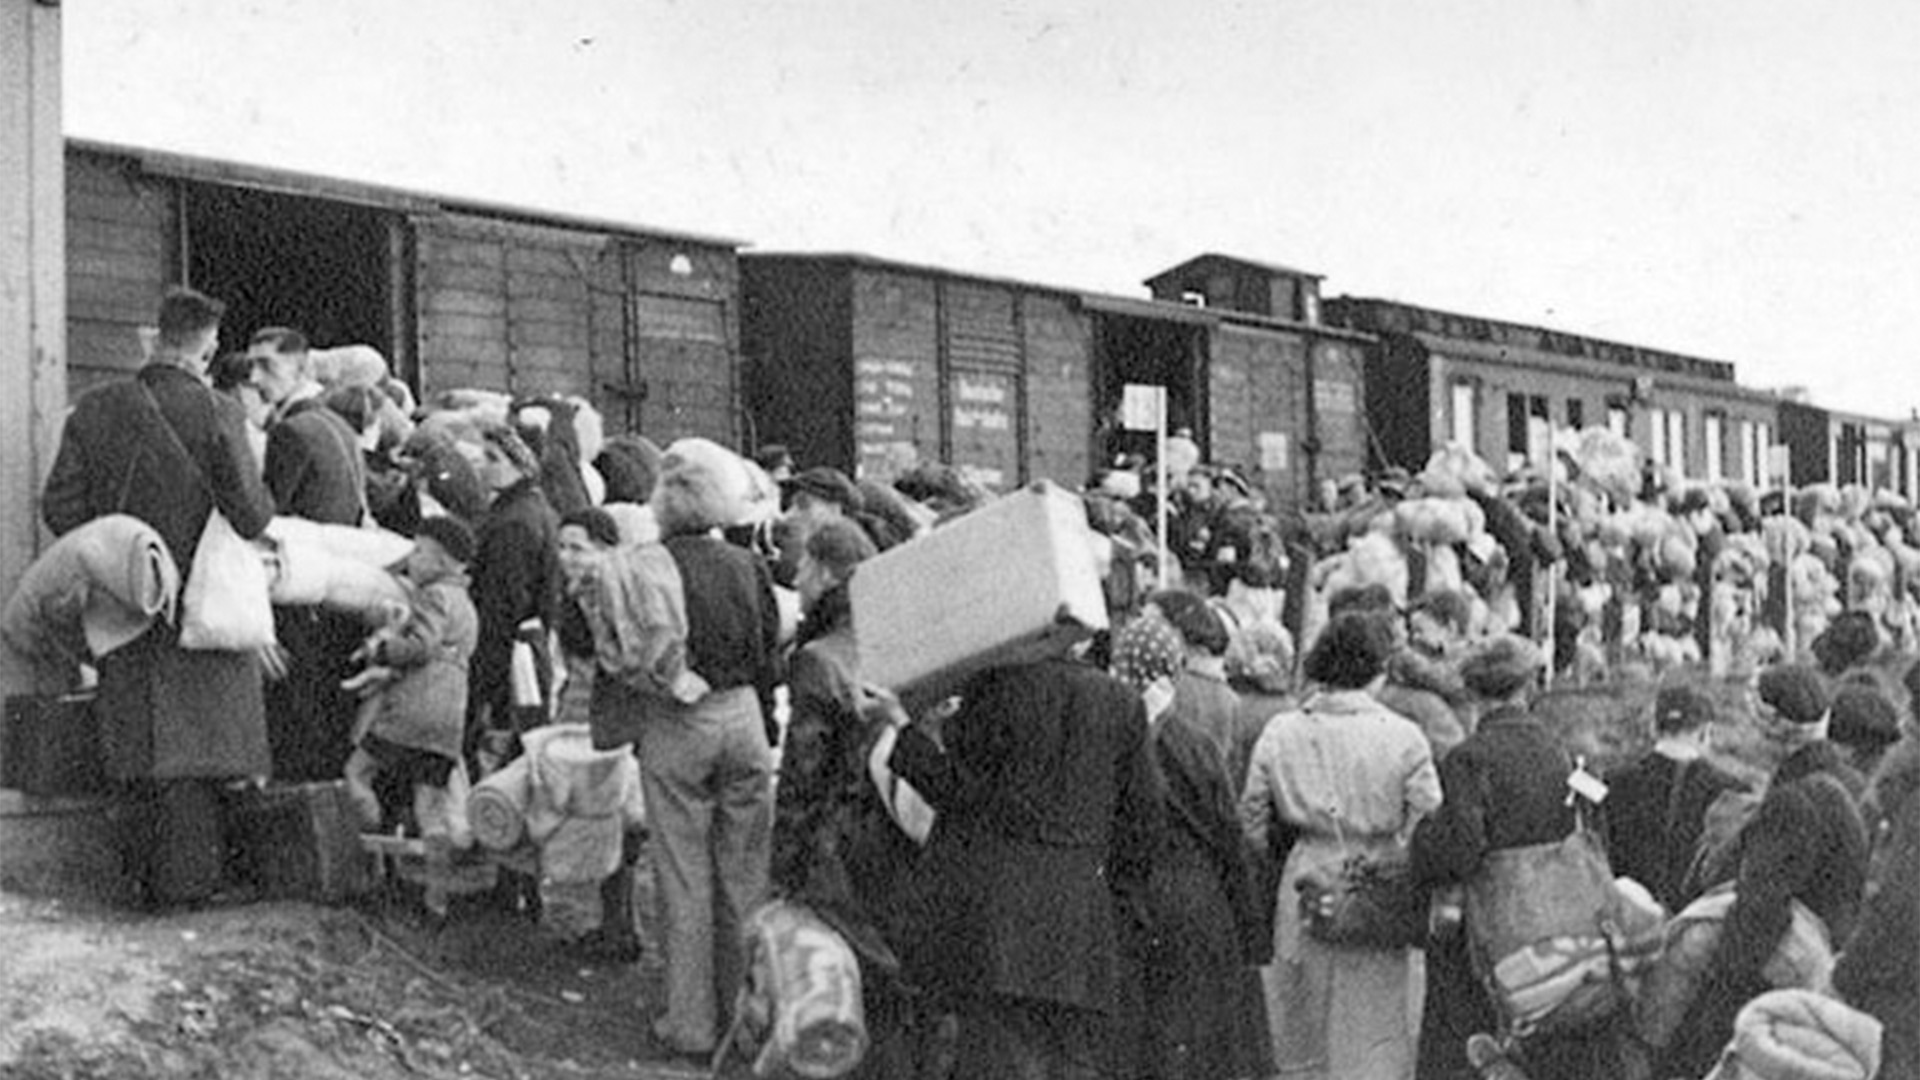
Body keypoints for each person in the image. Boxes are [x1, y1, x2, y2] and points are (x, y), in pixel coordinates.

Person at [42, 286, 276, 909]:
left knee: (135, 743)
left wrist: (121, 553)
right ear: (208, 347)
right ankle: (189, 887)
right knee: (197, 751)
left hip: (124, 598)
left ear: (156, 335)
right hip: (201, 601)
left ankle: (137, 882)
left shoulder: (93, 410)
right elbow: (251, 516)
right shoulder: (222, 412)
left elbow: (59, 507)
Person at [874, 643, 1163, 1079]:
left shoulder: (994, 688)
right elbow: (1142, 823)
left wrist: (902, 726)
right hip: (1083, 929)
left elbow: (959, 794)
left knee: (1000, 1060)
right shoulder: (1121, 702)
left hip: (998, 926)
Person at [1411, 634, 1625, 1080]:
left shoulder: (1469, 758)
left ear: (1472, 693)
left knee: (1467, 1040)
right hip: (1558, 923)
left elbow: (1459, 849)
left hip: (1488, 924)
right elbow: (1595, 826)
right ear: (1528, 688)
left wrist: (1422, 839)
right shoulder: (1560, 751)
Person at [1240, 611, 1441, 1080]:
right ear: (1378, 668)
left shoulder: (1282, 731)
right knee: (1373, 1029)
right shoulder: (1404, 737)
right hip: (1378, 879)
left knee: (1301, 1023)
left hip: (1306, 875)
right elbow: (1428, 818)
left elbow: (1251, 817)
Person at [1658, 662, 1872, 1079]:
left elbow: (1758, 917)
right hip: (1837, 978)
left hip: (1788, 983)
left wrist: (1712, 1016)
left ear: (1772, 729)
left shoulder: (1793, 803)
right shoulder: (1849, 781)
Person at [641, 439, 783, 1060]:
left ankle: (689, 1024)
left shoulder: (651, 563)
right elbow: (769, 650)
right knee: (745, 876)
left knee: (683, 877)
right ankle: (745, 1023)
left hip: (682, 720)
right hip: (745, 718)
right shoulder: (750, 566)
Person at [770, 518, 927, 1077]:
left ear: (824, 570)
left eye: (804, 565)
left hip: (838, 847)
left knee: (839, 987)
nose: (798, 576)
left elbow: (802, 778)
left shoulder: (818, 659)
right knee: (892, 990)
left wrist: (785, 868)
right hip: (898, 844)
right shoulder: (902, 643)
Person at [1111, 604, 1272, 1080]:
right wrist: (1250, 932)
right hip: (1201, 904)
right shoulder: (1195, 744)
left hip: (1135, 903)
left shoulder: (1114, 738)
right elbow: (1229, 837)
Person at [248, 326, 372, 782]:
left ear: (300, 369)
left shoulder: (291, 433)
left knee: (296, 743)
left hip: (299, 606)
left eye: (268, 366)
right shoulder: (339, 426)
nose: (256, 378)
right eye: (252, 365)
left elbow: (262, 527)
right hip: (339, 606)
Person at [339, 516, 479, 847]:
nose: (411, 560)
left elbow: (422, 646)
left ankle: (368, 850)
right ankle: (436, 886)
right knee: (429, 809)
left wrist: (382, 650)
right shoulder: (467, 605)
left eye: (418, 552)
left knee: (357, 774)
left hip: (410, 713)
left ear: (441, 561)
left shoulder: (432, 596)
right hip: (448, 720)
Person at [1601, 682, 1749, 913]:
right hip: (1695, 927)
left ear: (1654, 728)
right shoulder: (1732, 791)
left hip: (1629, 921)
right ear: (1705, 732)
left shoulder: (1612, 782)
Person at [464, 421, 560, 770]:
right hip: (526, 649)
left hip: (504, 656)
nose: (482, 465)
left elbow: (502, 605)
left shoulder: (513, 523)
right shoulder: (534, 510)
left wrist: (483, 675)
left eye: (492, 457)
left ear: (519, 463)